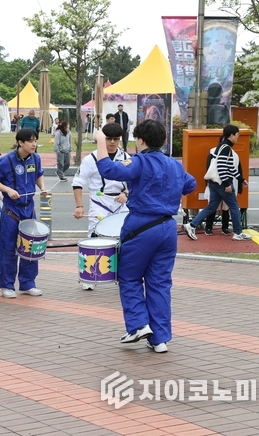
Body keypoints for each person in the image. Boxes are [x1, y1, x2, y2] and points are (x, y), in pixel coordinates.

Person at [95, 119, 196, 353]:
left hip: (141, 226)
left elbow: (108, 170)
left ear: (140, 140)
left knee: (129, 277)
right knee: (159, 283)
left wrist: (100, 141)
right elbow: (190, 185)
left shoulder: (139, 161)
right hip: (168, 228)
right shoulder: (174, 165)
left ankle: (138, 324)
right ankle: (159, 339)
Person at [0, 128, 48, 299]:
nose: (34, 144)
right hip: (11, 211)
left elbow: (39, 175)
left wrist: (42, 187)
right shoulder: (6, 160)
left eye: (35, 140)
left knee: (31, 248)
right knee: (8, 248)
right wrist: (8, 190)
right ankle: (6, 285)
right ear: (20, 143)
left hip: (29, 210)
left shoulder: (36, 158)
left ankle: (28, 283)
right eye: (31, 141)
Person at [72, 123, 130, 289]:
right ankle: (89, 276)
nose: (112, 142)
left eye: (115, 139)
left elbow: (134, 180)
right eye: (108, 138)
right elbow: (78, 182)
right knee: (94, 236)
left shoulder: (126, 157)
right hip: (100, 202)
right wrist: (79, 206)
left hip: (121, 203)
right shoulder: (90, 159)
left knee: (125, 239)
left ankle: (122, 275)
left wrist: (126, 193)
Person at [183, 124, 252, 241]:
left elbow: (229, 166)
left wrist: (241, 179)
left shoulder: (222, 146)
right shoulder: (226, 148)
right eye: (237, 135)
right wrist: (227, 184)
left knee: (211, 207)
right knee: (234, 207)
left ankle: (191, 225)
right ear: (231, 135)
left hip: (213, 182)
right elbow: (221, 167)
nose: (238, 137)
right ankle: (238, 233)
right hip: (222, 183)